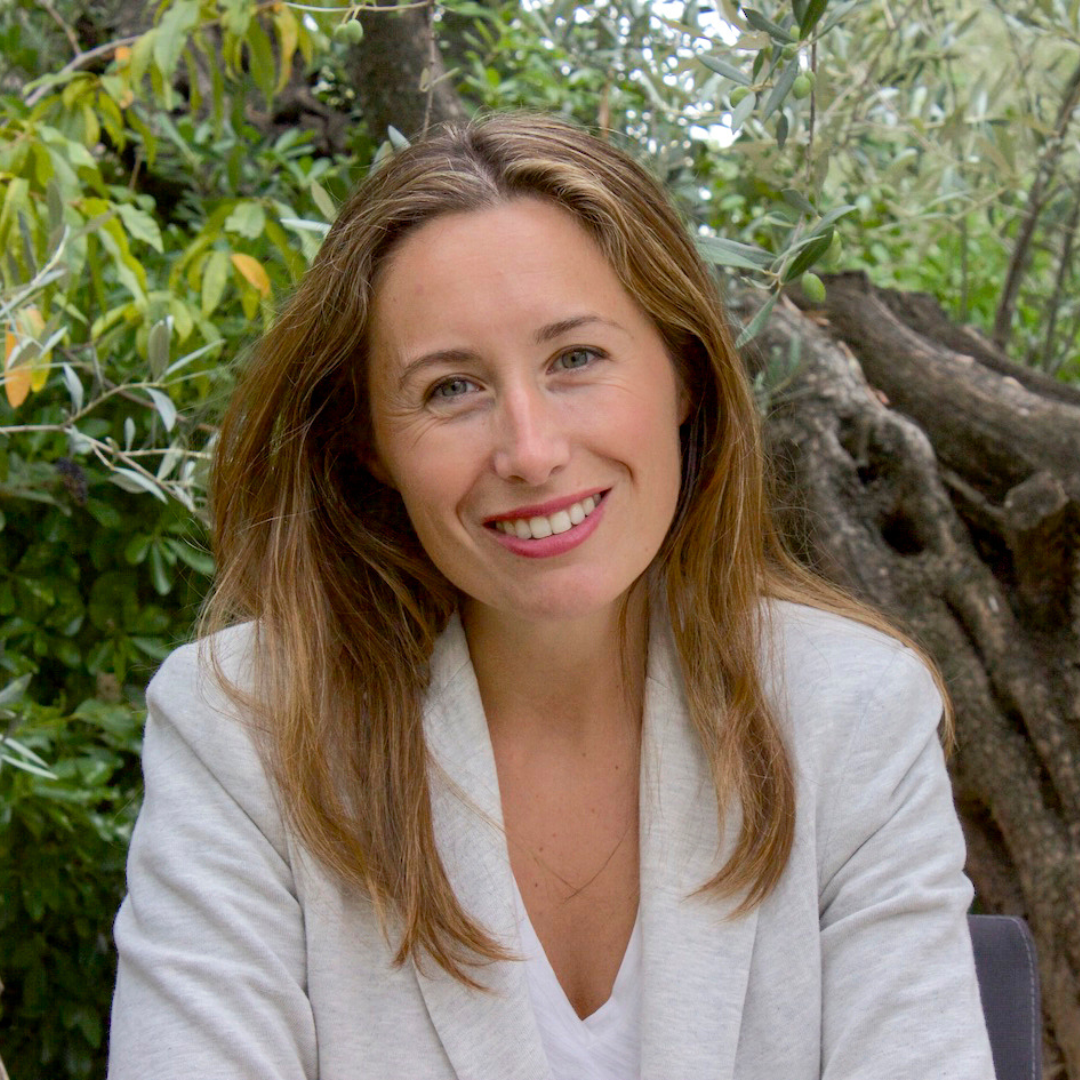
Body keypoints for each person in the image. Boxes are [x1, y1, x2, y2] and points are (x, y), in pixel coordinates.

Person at [108, 113, 995, 1080]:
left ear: (685, 374)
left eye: (575, 359)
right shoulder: (245, 729)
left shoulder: (855, 712)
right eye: (451, 388)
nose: (530, 452)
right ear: (369, 443)